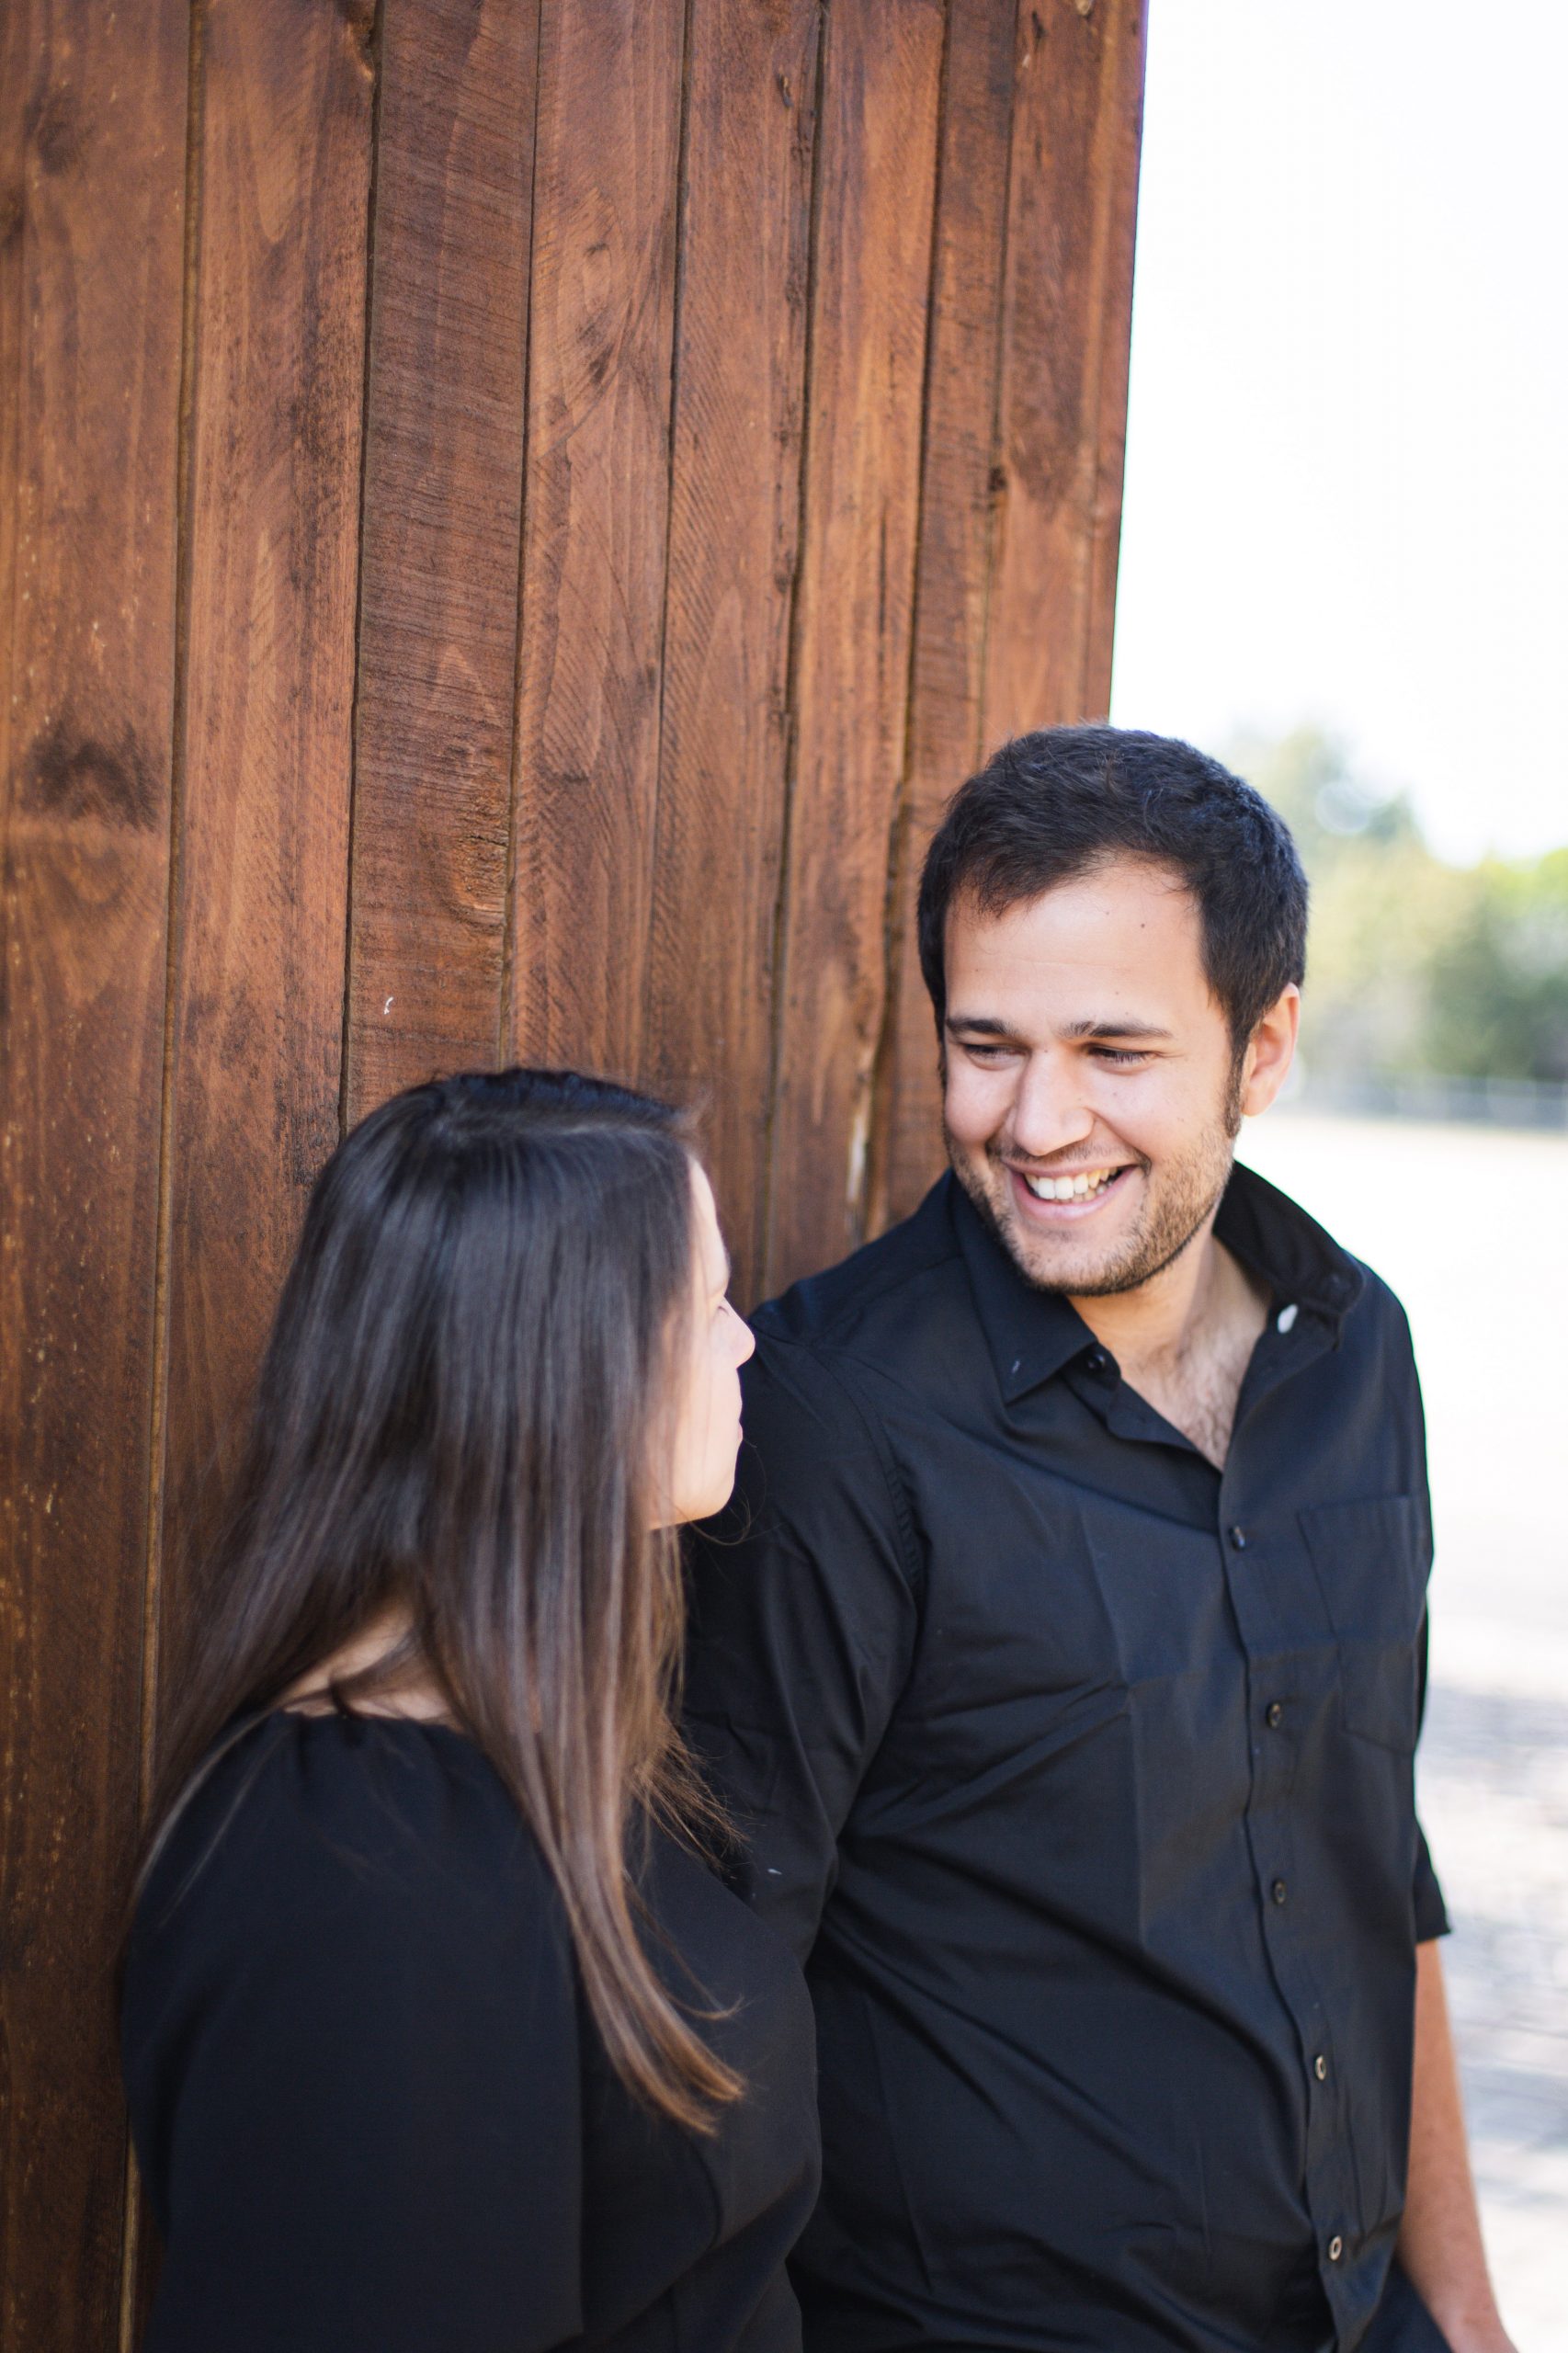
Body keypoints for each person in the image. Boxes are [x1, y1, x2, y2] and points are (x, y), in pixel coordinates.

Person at [685, 730, 1512, 2353]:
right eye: (985, 1046)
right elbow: (716, 1979)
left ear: (1260, 1049)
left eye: (1113, 1051)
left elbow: (1370, 1857)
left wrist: (1465, 2314)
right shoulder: (827, 1420)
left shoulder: (1354, 1350)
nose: (1037, 1121)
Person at [122, 1067, 819, 2353]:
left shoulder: (510, 1749)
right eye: (706, 1305)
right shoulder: (361, 1880)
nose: (744, 1343)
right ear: (562, 1370)